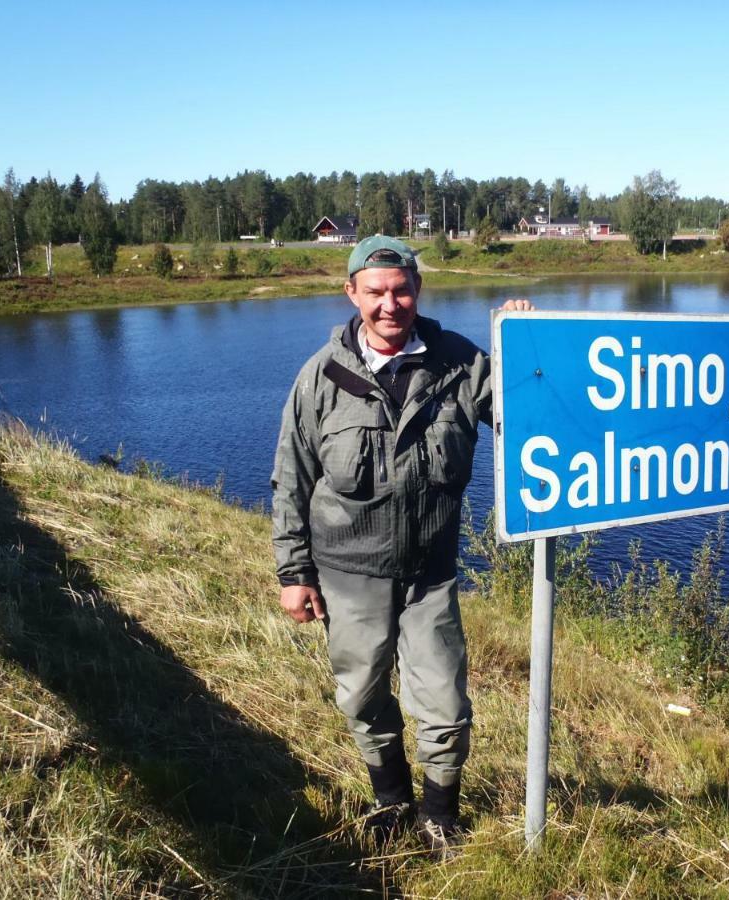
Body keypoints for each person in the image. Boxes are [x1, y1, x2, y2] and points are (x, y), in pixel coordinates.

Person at [271, 234, 530, 854]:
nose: (391, 304)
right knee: (361, 696)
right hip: (348, 573)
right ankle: (391, 801)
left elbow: (526, 414)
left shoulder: (460, 364)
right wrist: (293, 572)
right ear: (352, 292)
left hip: (430, 575)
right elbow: (291, 476)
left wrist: (526, 348)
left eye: (402, 290)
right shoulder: (321, 377)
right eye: (377, 292)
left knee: (444, 703)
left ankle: (439, 814)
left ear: (418, 289)